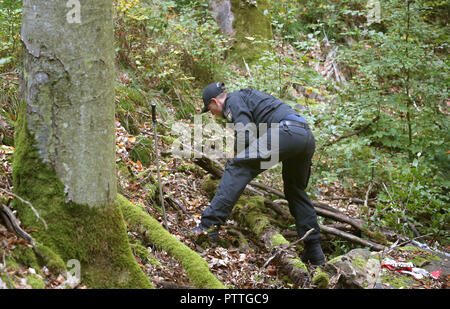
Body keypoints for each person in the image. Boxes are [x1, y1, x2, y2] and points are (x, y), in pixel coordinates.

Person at [192, 82, 325, 265]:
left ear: (215, 101)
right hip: (304, 136)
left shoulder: (233, 100)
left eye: (210, 109)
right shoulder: (247, 98)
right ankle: (314, 252)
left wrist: (237, 155)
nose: (213, 114)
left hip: (285, 132)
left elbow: (246, 135)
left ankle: (207, 227)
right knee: (295, 191)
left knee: (237, 167)